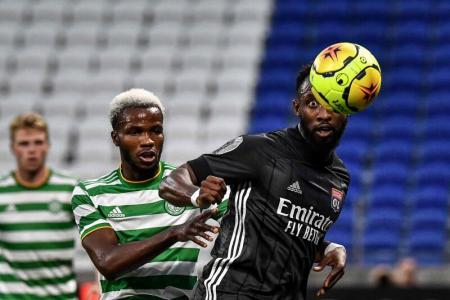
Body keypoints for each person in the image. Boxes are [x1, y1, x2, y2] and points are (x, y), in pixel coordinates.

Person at [159, 64, 350, 299]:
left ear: (348, 109)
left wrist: (327, 248)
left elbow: (291, 233)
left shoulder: (339, 177)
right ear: (297, 108)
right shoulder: (258, 149)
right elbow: (172, 181)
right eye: (312, 103)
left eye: (334, 104)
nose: (323, 114)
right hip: (229, 292)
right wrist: (195, 195)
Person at [71, 88, 228, 299]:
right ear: (115, 138)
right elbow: (108, 263)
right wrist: (175, 232)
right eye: (135, 132)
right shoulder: (90, 192)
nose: (148, 140)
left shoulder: (191, 184)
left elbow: (248, 221)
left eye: (156, 130)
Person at [0, 112, 78, 299]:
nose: (32, 150)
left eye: (38, 142)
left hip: (60, 296)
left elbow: (100, 240)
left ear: (48, 146)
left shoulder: (71, 188)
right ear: (13, 148)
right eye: (24, 144)